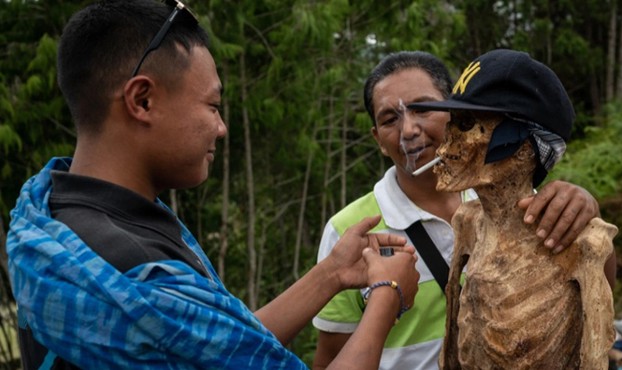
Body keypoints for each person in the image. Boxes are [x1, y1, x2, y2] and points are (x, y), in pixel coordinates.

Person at [5, 1, 420, 369]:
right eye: (213, 106)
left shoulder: (58, 218)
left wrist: (332, 273)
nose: (221, 129)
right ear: (142, 101)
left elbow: (216, 349)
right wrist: (386, 295)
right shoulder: (131, 264)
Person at [311, 51, 617, 370]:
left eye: (424, 109)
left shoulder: (531, 208)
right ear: (377, 138)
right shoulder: (348, 233)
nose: (409, 130)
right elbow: (330, 357)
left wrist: (586, 212)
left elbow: (596, 299)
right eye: (390, 119)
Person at [409, 49, 616, 369]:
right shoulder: (467, 221)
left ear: (522, 149)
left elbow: (595, 351)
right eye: (451, 125)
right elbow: (453, 339)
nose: (445, 147)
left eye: (466, 126)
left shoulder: (580, 239)